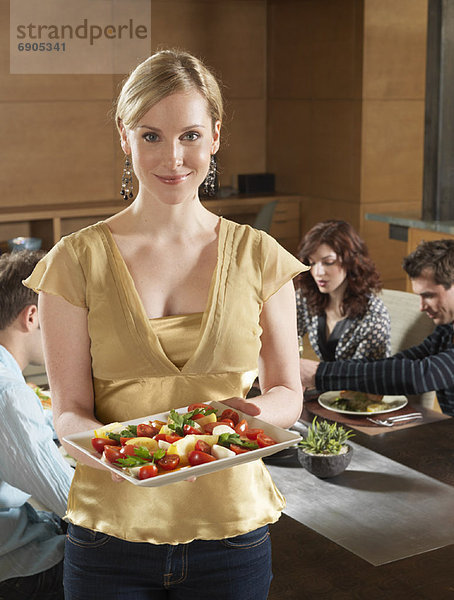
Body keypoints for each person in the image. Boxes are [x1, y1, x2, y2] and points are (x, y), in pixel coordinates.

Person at [24, 49, 307, 600]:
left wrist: (250, 416)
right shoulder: (74, 260)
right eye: (151, 135)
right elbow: (69, 411)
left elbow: (287, 391)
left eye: (191, 136)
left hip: (233, 534)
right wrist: (119, 453)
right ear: (124, 137)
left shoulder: (261, 256)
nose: (173, 157)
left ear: (216, 137)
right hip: (109, 537)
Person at [300, 239, 454, 417]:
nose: (422, 306)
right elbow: (396, 364)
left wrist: (318, 374)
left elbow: (419, 376)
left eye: (428, 295)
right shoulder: (446, 331)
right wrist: (326, 374)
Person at [0, 250, 73, 600]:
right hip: (16, 570)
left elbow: (25, 429)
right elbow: (70, 501)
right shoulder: (9, 392)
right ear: (32, 317)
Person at [296, 220, 390, 362]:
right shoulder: (307, 296)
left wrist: (314, 373)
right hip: (319, 382)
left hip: (357, 383)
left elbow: (361, 376)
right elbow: (281, 339)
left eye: (328, 262)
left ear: (350, 260)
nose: (318, 272)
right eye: (312, 263)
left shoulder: (373, 317)